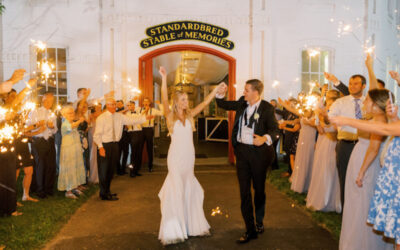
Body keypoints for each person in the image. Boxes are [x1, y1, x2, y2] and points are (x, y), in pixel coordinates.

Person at [157, 66, 222, 245]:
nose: (187, 102)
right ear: (177, 102)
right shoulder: (170, 116)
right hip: (175, 158)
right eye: (184, 100)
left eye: (187, 100)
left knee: (187, 188)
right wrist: (163, 78)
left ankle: (189, 225)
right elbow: (163, 97)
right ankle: (175, 228)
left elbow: (205, 104)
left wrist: (215, 90)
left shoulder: (191, 115)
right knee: (176, 190)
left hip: (189, 158)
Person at [216, 79, 279, 244]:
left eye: (246, 90)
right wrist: (220, 95)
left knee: (259, 190)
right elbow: (224, 105)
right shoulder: (242, 103)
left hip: (259, 154)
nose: (243, 93)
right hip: (242, 153)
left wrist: (264, 138)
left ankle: (259, 221)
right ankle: (250, 229)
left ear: (256, 92)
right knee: (244, 192)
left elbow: (275, 129)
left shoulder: (267, 108)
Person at [338, 89, 394, 250]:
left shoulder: (380, 121)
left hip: (368, 166)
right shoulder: (378, 118)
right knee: (357, 205)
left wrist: (362, 171)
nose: (363, 102)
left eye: (367, 100)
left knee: (363, 206)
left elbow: (374, 149)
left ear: (376, 105)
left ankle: (362, 244)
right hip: (362, 161)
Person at [93, 98, 150, 201]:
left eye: (115, 104)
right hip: (104, 145)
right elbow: (96, 135)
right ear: (107, 105)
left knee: (111, 170)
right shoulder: (101, 118)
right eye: (112, 104)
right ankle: (103, 193)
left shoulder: (119, 116)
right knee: (104, 170)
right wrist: (100, 147)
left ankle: (107, 191)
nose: (114, 106)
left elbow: (132, 120)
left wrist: (144, 118)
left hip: (115, 145)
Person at [326, 73, 367, 208]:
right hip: (346, 145)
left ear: (363, 86)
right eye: (350, 83)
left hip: (364, 145)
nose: (352, 86)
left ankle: (361, 209)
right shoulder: (340, 102)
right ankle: (346, 211)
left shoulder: (368, 102)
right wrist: (325, 116)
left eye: (356, 84)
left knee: (363, 178)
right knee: (344, 178)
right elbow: (329, 118)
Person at [306, 90, 341, 212]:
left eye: (331, 105)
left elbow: (326, 130)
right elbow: (321, 130)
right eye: (328, 104)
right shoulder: (325, 115)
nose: (329, 107)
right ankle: (321, 197)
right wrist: (318, 118)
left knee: (329, 170)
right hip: (324, 143)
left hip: (332, 144)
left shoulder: (337, 117)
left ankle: (329, 199)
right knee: (321, 169)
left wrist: (320, 118)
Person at [27, 92, 58, 198]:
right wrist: (38, 126)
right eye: (47, 100)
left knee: (50, 165)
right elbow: (28, 126)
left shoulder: (52, 113)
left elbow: (55, 130)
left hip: (49, 140)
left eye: (51, 101)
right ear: (43, 100)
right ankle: (39, 190)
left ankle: (48, 188)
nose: (49, 103)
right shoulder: (34, 112)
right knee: (40, 166)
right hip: (39, 140)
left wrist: (52, 127)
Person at [58, 105, 86, 199]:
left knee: (76, 166)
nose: (72, 114)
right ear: (64, 115)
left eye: (72, 112)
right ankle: (68, 190)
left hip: (75, 147)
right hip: (68, 148)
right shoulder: (65, 123)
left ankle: (75, 186)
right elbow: (71, 126)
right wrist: (79, 120)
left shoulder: (72, 121)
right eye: (69, 113)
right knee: (69, 168)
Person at [138, 97, 163, 172]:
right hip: (141, 130)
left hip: (149, 129)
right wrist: (145, 111)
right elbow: (137, 118)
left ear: (149, 103)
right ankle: (138, 166)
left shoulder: (153, 110)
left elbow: (162, 113)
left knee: (149, 148)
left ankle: (150, 166)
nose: (145, 103)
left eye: (147, 101)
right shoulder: (139, 110)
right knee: (140, 148)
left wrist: (160, 105)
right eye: (144, 101)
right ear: (142, 103)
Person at [126, 100, 143, 177]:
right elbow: (128, 123)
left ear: (134, 106)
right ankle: (131, 171)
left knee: (138, 152)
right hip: (132, 133)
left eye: (132, 105)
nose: (131, 106)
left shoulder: (139, 113)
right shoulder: (127, 114)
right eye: (129, 105)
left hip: (139, 132)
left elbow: (141, 121)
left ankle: (136, 170)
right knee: (133, 153)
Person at [88, 103, 102, 184]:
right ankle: (93, 177)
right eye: (97, 107)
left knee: (98, 157)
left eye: (100, 107)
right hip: (92, 137)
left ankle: (98, 175)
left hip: (99, 137)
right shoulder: (91, 116)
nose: (99, 109)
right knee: (93, 156)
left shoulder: (100, 115)